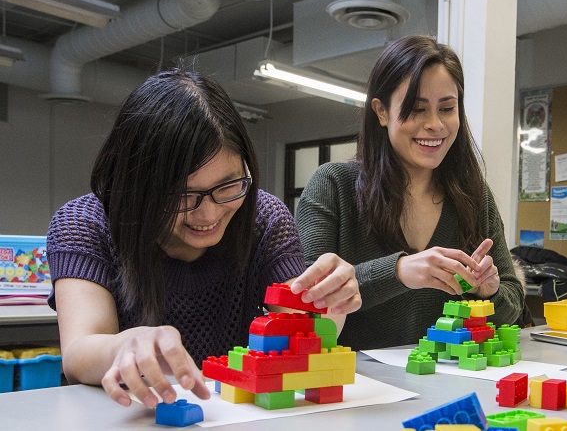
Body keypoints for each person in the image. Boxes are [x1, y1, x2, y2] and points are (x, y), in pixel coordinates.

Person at [46, 69, 362, 410]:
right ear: (137, 183)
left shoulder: (263, 218)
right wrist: (126, 345)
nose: (209, 215)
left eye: (228, 186)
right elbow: (80, 353)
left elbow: (305, 329)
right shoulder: (85, 222)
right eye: (182, 194)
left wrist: (330, 302)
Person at [295, 35, 525, 350]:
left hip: (446, 384)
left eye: (447, 108)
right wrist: (399, 271)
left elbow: (512, 306)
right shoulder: (333, 186)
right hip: (353, 389)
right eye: (417, 109)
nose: (435, 124)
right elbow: (306, 301)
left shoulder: (473, 196)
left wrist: (489, 292)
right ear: (381, 111)